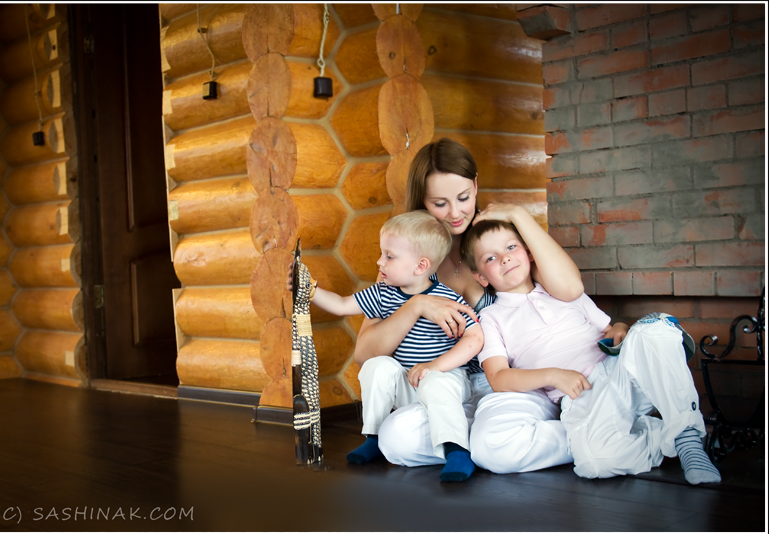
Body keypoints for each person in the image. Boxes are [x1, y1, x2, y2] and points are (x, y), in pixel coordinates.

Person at [354, 137, 585, 468]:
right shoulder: (406, 259)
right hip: (444, 388)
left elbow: (571, 288)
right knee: (395, 440)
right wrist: (415, 306)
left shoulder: (497, 240)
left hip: (507, 384)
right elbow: (365, 354)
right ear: (421, 201)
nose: (455, 213)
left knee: (486, 439)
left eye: (463, 198)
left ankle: (579, 435)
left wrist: (519, 215)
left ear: (476, 185)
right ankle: (482, 445)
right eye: (440, 203)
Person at [462, 219, 721, 485]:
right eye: (491, 258)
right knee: (596, 461)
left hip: (620, 371)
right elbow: (498, 377)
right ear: (481, 277)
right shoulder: (491, 317)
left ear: (529, 253)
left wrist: (620, 328)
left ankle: (688, 439)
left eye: (511, 247)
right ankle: (664, 435)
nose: (505, 259)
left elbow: (609, 330)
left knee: (650, 332)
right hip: (581, 397)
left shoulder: (562, 291)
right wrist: (553, 375)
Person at [300, 210, 485, 482]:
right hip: (409, 382)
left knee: (436, 381)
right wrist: (310, 290)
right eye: (382, 253)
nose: (379, 262)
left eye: (389, 256)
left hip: (445, 380)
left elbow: (475, 338)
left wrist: (434, 366)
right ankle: (373, 438)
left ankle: (457, 450)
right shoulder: (382, 294)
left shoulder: (446, 299)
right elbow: (341, 305)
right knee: (377, 365)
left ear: (420, 266)